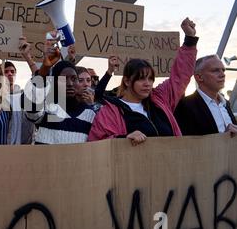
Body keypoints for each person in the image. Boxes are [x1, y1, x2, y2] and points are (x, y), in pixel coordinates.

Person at [88, 17, 198, 146]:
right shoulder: (110, 111)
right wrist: (123, 139)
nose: (147, 83)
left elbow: (180, 75)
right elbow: (96, 144)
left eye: (150, 79)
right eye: (141, 79)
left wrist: (190, 40)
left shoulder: (160, 100)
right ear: (127, 81)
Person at [24, 36, 96, 144]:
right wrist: (45, 68)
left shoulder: (90, 114)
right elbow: (31, 109)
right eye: (63, 79)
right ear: (54, 83)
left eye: (74, 78)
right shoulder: (47, 108)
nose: (70, 84)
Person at [174, 55, 237, 136]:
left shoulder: (225, 104)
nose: (222, 74)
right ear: (199, 77)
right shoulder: (185, 106)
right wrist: (223, 137)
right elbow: (188, 143)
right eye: (215, 70)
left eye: (223, 70)